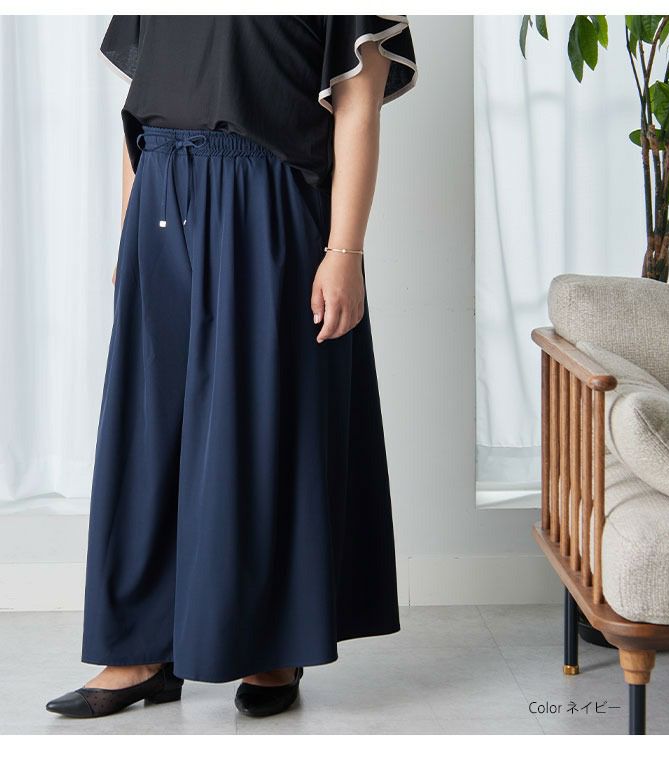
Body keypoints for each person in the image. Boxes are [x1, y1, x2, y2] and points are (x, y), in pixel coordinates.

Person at [45, 15, 417, 720]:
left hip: (267, 200)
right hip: (162, 190)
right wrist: (129, 231)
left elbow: (357, 107)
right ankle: (141, 650)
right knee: (150, 432)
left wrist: (344, 252)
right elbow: (139, 109)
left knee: (259, 427)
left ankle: (272, 645)